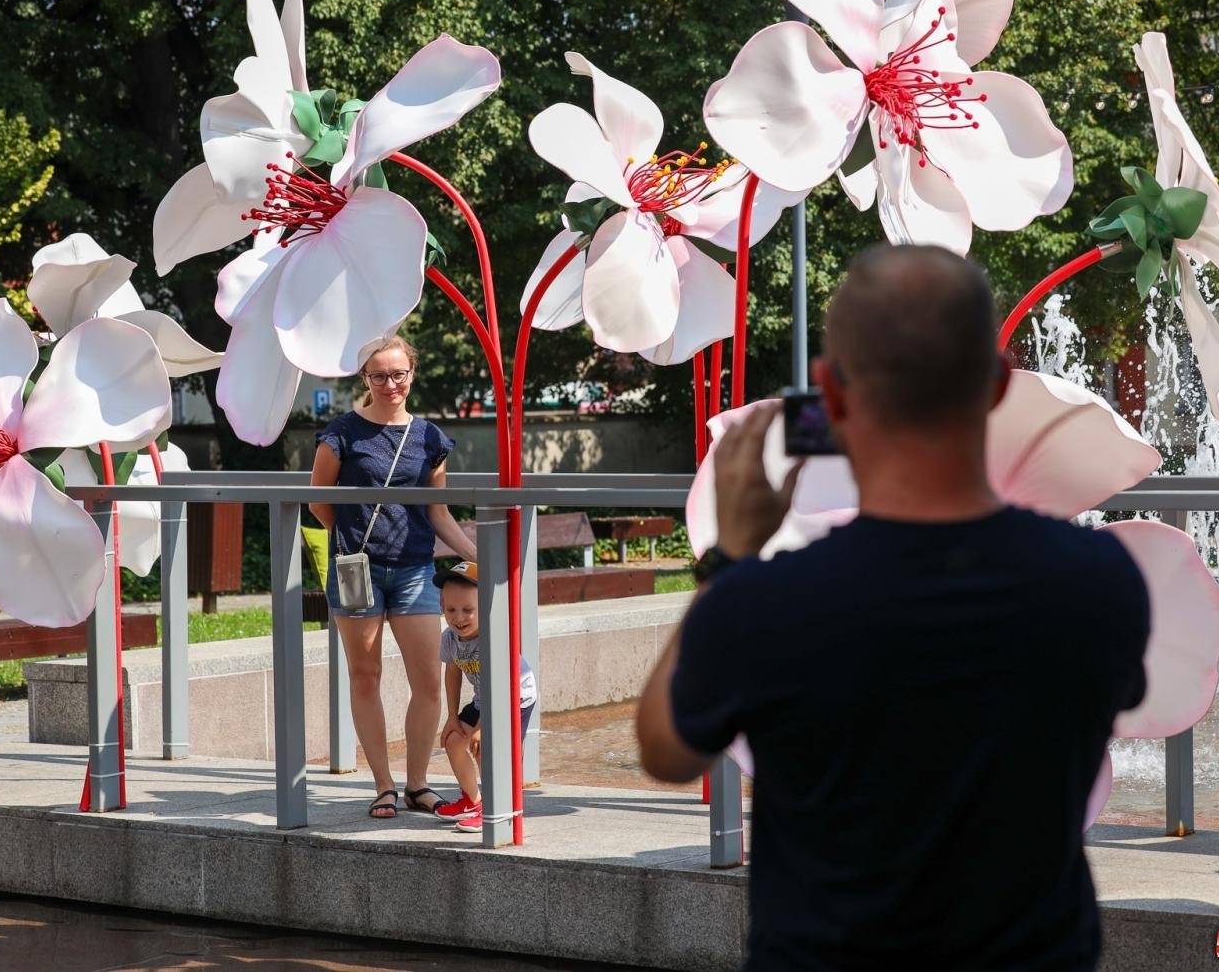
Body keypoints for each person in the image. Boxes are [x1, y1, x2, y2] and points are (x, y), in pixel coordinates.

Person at [636, 244, 1151, 970]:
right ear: (999, 384)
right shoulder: (1098, 582)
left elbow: (666, 750)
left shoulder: (769, 602)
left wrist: (728, 562)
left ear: (832, 397)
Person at [308, 335, 477, 820]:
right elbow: (320, 501)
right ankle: (383, 785)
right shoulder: (341, 432)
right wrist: (354, 543)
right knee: (366, 676)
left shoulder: (429, 437)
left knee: (427, 680)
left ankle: (417, 784)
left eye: (398, 374)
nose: (390, 384)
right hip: (356, 569)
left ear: (411, 375)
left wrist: (474, 555)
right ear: (365, 379)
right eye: (379, 375)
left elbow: (439, 513)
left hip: (414, 569)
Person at [430, 560, 538, 834]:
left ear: (486, 608)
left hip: (514, 697)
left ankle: (495, 807)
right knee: (454, 741)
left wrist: (481, 728)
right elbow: (452, 673)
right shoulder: (450, 638)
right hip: (485, 699)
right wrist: (453, 717)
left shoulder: (494, 637)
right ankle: (473, 800)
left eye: (468, 610)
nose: (459, 618)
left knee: (486, 746)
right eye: (451, 610)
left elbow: (502, 686)